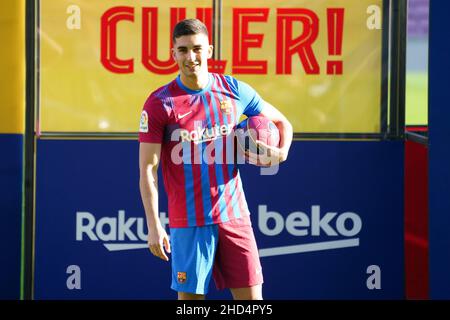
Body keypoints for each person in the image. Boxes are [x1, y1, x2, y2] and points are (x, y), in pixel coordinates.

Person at [138, 18, 293, 300]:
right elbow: (148, 169)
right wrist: (154, 225)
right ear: (173, 54)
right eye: (183, 50)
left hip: (235, 216)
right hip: (189, 221)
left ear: (209, 50)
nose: (190, 57)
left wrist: (281, 152)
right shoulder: (160, 103)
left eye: (197, 49)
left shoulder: (234, 90)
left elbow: (283, 122)